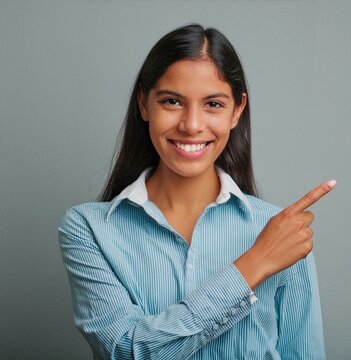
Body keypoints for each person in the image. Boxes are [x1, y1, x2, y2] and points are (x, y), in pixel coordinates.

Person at [58, 24, 335, 359]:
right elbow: (128, 351)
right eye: (172, 101)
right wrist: (256, 263)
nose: (191, 125)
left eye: (213, 104)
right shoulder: (88, 229)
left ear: (237, 111)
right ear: (144, 104)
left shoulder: (283, 230)